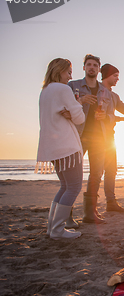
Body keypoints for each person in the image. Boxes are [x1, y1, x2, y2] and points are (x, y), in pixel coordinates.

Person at [36, 58, 85, 240]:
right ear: (59, 70)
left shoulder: (45, 91)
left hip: (53, 147)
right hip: (67, 146)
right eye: (68, 72)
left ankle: (52, 228)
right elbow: (80, 118)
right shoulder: (63, 89)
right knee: (73, 187)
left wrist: (69, 112)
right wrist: (76, 106)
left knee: (65, 186)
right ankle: (57, 230)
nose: (70, 77)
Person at [68, 54, 114, 224]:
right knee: (73, 176)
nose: (92, 67)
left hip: (99, 139)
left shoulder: (105, 91)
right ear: (84, 67)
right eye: (89, 65)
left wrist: (105, 118)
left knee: (96, 174)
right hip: (77, 137)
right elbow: (64, 108)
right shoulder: (73, 86)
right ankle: (68, 215)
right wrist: (80, 101)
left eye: (95, 65)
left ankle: (89, 213)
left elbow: (111, 116)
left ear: (98, 69)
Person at [100, 64, 124, 212]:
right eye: (115, 76)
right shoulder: (97, 91)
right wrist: (119, 119)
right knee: (97, 172)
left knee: (112, 169)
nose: (118, 79)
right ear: (106, 75)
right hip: (95, 137)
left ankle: (111, 203)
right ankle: (90, 207)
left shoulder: (114, 96)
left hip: (110, 137)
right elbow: (100, 116)